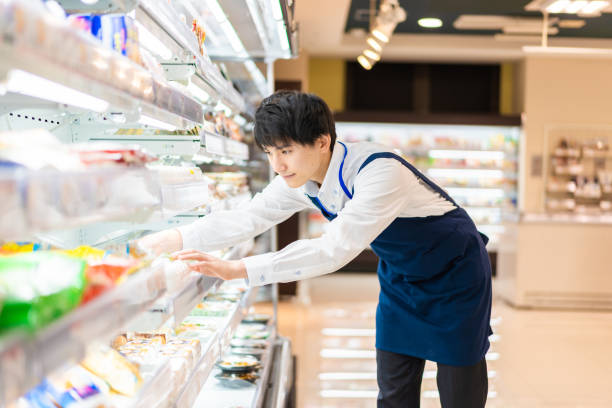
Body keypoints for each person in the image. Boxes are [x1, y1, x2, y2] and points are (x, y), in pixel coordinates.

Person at [138, 90, 492, 408]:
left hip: (455, 275)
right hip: (402, 277)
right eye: (270, 152)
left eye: (286, 151)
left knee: (459, 387)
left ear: (323, 142)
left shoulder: (379, 171)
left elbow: (333, 250)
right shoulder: (299, 179)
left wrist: (240, 269)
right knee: (394, 389)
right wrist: (175, 238)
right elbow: (248, 217)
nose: (277, 165)